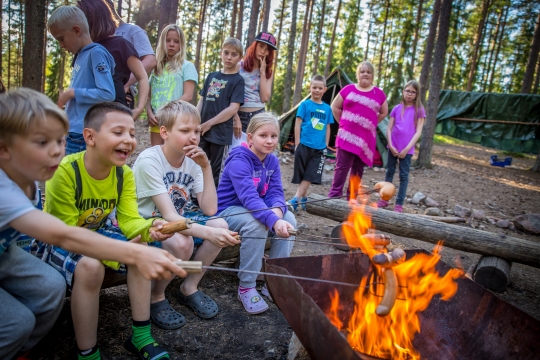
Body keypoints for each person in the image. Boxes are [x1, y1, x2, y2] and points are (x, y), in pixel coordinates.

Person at [0, 88, 187, 360]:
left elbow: (130, 218)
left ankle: (141, 336)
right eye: (42, 142)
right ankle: (86, 352)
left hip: (64, 239)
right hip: (63, 238)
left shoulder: (122, 174)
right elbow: (62, 234)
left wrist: (149, 229)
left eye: (60, 141)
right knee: (90, 266)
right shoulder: (63, 173)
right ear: (89, 137)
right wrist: (126, 252)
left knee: (141, 243)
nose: (56, 151)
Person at [133, 100, 240, 329]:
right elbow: (170, 216)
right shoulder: (149, 161)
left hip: (175, 219)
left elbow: (210, 209)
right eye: (185, 131)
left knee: (220, 223)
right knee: (184, 242)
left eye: (197, 131)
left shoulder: (193, 162)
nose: (193, 137)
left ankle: (188, 286)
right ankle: (156, 295)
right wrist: (207, 233)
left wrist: (205, 167)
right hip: (146, 223)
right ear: (164, 132)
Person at [217, 112, 296, 314]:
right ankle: (246, 285)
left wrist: (278, 213)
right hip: (229, 211)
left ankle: (274, 280)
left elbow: (276, 192)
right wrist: (272, 220)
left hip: (254, 208)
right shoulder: (238, 161)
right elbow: (249, 199)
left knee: (289, 217)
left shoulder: (272, 161)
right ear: (250, 138)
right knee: (257, 223)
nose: (269, 141)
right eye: (263, 135)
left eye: (273, 136)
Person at [47, 5, 115, 155]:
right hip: (74, 132)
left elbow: (107, 93)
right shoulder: (81, 56)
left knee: (77, 177)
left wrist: (73, 93)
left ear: (77, 30)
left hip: (83, 133)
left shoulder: (96, 53)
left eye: (61, 39)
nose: (61, 45)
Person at [77, 0, 149, 120]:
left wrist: (139, 108)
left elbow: (142, 76)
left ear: (92, 19)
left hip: (116, 112)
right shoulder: (84, 50)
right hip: (89, 114)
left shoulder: (121, 44)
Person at [328, 61, 389, 198]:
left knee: (357, 169)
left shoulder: (378, 93)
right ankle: (334, 195)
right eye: (362, 71)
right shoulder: (348, 89)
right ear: (358, 74)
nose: (365, 74)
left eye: (368, 72)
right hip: (346, 136)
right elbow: (335, 107)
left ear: (372, 75)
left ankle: (352, 198)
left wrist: (370, 124)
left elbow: (384, 112)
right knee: (342, 167)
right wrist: (342, 123)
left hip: (365, 139)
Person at [197, 37, 245, 187]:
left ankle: (212, 202)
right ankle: (194, 198)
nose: (229, 57)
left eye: (234, 54)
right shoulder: (212, 76)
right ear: (221, 53)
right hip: (202, 128)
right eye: (226, 53)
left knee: (214, 168)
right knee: (197, 162)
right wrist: (195, 121)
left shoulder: (238, 80)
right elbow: (202, 100)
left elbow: (233, 108)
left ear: (240, 58)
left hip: (220, 132)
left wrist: (209, 124)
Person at [377, 80, 425, 213]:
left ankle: (399, 204)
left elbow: (418, 131)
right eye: (407, 91)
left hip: (406, 149)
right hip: (393, 146)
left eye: (413, 92)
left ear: (417, 94)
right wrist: (391, 145)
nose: (409, 94)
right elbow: (389, 128)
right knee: (389, 172)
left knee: (403, 176)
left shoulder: (419, 110)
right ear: (403, 91)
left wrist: (406, 148)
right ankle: (384, 199)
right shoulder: (397, 108)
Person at [288, 75, 334, 211]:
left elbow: (328, 127)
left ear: (325, 89)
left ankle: (295, 199)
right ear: (310, 88)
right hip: (304, 145)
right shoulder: (305, 105)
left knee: (310, 174)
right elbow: (297, 124)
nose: (317, 90)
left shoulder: (327, 108)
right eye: (314, 87)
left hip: (319, 149)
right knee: (302, 174)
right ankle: (304, 197)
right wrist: (297, 144)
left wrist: (325, 145)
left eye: (320, 88)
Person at [148, 24, 198, 146]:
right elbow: (149, 96)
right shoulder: (156, 68)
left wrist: (165, 112)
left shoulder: (186, 66)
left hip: (177, 121)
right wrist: (149, 113)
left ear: (181, 44)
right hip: (156, 122)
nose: (171, 44)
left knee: (173, 158)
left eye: (176, 41)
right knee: (156, 156)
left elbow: (188, 95)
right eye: (168, 40)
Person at [104, 0, 157, 108]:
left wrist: (125, 84)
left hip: (122, 95)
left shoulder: (133, 31)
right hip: (101, 95)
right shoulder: (99, 35)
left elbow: (150, 60)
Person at [231, 32, 277, 148]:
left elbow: (265, 97)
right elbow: (229, 94)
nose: (263, 51)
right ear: (254, 46)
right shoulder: (239, 66)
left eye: (267, 50)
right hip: (239, 114)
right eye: (261, 46)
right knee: (237, 150)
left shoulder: (268, 72)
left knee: (256, 151)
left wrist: (262, 72)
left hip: (258, 114)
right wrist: (235, 117)